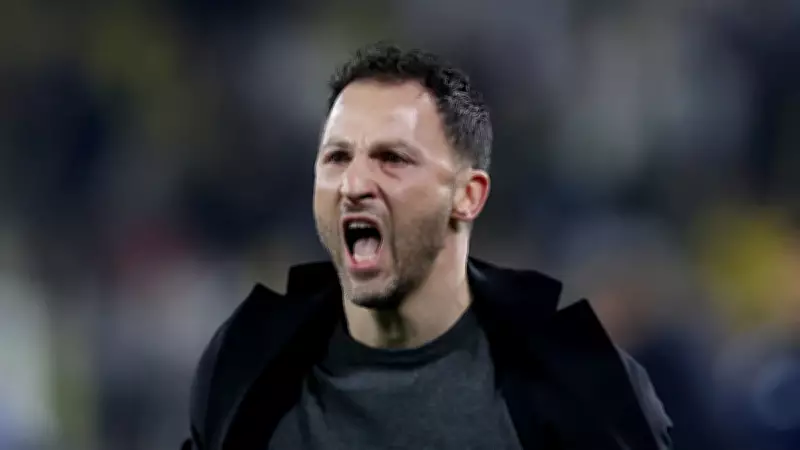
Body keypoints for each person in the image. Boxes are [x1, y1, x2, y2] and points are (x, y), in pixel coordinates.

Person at [180, 42, 673, 450]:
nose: (354, 184)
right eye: (336, 157)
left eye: (392, 158)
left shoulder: (582, 390)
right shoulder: (247, 365)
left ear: (467, 196)